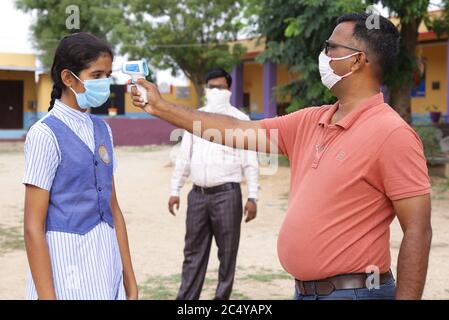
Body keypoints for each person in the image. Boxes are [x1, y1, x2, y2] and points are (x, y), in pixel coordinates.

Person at [130, 12, 433, 300]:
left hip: (356, 292)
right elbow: (236, 129)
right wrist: (161, 107)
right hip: (304, 291)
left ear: (356, 61)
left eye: (330, 47)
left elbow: (417, 231)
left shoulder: (392, 134)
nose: (323, 55)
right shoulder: (309, 121)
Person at [23, 32, 138, 300]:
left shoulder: (103, 130)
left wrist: (129, 278)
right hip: (66, 264)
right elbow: (32, 227)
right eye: (96, 75)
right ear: (67, 78)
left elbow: (114, 209)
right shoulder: (45, 134)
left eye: (108, 75)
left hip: (106, 260)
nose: (105, 82)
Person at [169, 68, 259, 300]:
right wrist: (174, 190)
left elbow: (251, 161)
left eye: (220, 87)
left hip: (227, 195)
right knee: (192, 253)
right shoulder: (195, 117)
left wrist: (253, 197)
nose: (215, 91)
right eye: (211, 88)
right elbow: (184, 156)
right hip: (197, 195)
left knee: (227, 254)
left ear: (229, 90)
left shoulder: (240, 120)